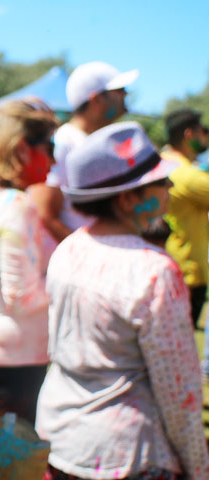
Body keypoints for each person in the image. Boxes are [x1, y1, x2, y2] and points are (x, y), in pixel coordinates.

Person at [36, 122, 209, 479]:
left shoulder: (69, 247)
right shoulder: (155, 271)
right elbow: (180, 393)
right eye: (161, 182)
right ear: (128, 198)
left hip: (63, 438)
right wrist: (199, 467)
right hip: (130, 454)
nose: (171, 188)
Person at [0, 99, 58, 424]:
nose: (54, 159)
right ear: (21, 149)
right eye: (50, 147)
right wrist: (68, 279)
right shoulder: (18, 205)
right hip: (16, 359)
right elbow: (22, 296)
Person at [30, 61, 138, 242]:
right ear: (96, 99)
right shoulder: (65, 141)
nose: (125, 94)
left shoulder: (104, 141)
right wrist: (86, 254)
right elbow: (46, 214)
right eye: (119, 90)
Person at [160, 109, 209, 330]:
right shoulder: (188, 175)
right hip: (187, 270)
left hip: (168, 261)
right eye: (203, 132)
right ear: (190, 134)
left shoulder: (162, 162)